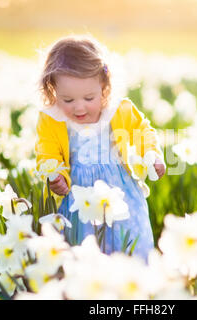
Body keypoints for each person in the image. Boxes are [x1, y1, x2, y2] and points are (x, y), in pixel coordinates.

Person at [35, 34, 166, 262]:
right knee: (85, 247)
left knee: (131, 241)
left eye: (88, 97)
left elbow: (143, 132)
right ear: (52, 89)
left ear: (104, 86)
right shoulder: (52, 120)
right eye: (67, 100)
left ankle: (134, 284)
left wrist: (151, 155)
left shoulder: (118, 110)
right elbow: (47, 152)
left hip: (121, 192)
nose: (79, 107)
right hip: (79, 194)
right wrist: (57, 176)